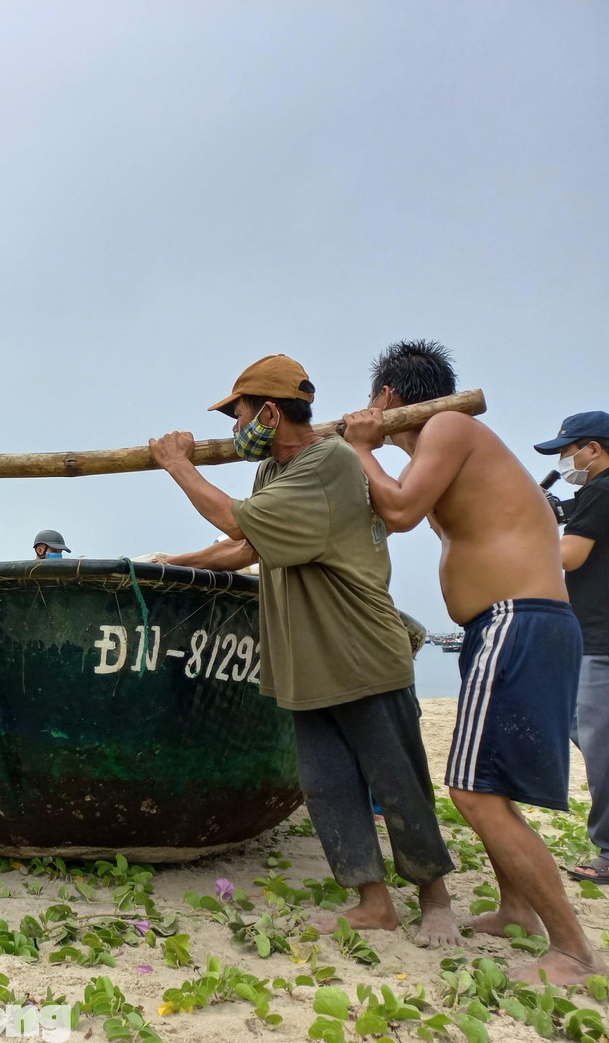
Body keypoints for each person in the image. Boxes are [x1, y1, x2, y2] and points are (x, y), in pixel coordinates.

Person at [150, 354, 458, 948]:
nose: (236, 428)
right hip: (306, 661)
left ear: (268, 411)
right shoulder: (274, 473)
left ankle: (435, 899)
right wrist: (172, 563)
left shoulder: (329, 463)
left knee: (398, 781)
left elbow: (233, 521)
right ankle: (374, 904)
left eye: (238, 415)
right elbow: (246, 547)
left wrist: (177, 464)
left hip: (361, 651)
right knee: (328, 786)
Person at [342, 339, 606, 984]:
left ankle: (573, 950)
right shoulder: (450, 452)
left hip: (516, 620)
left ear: (387, 398)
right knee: (494, 788)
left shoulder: (450, 425)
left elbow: (399, 511)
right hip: (507, 625)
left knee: (472, 792)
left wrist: (360, 446)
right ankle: (517, 909)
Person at [533, 412, 609, 886]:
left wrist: (532, 525)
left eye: (568, 450)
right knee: (588, 730)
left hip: (608, 639)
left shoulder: (604, 490)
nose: (565, 459)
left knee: (605, 749)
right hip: (606, 633)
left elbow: (568, 556)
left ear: (594, 448)